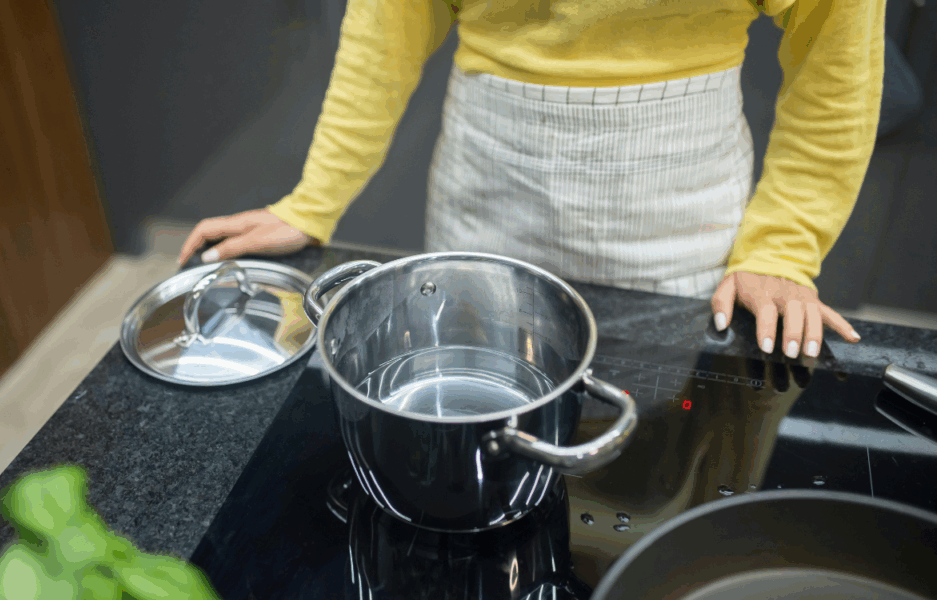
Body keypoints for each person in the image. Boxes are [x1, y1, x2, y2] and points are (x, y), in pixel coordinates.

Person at [179, 0, 880, 359]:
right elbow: (389, 25)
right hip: (488, 186)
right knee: (474, 412)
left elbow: (836, 54)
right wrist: (315, 198)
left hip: (680, 219)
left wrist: (784, 246)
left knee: (654, 455)